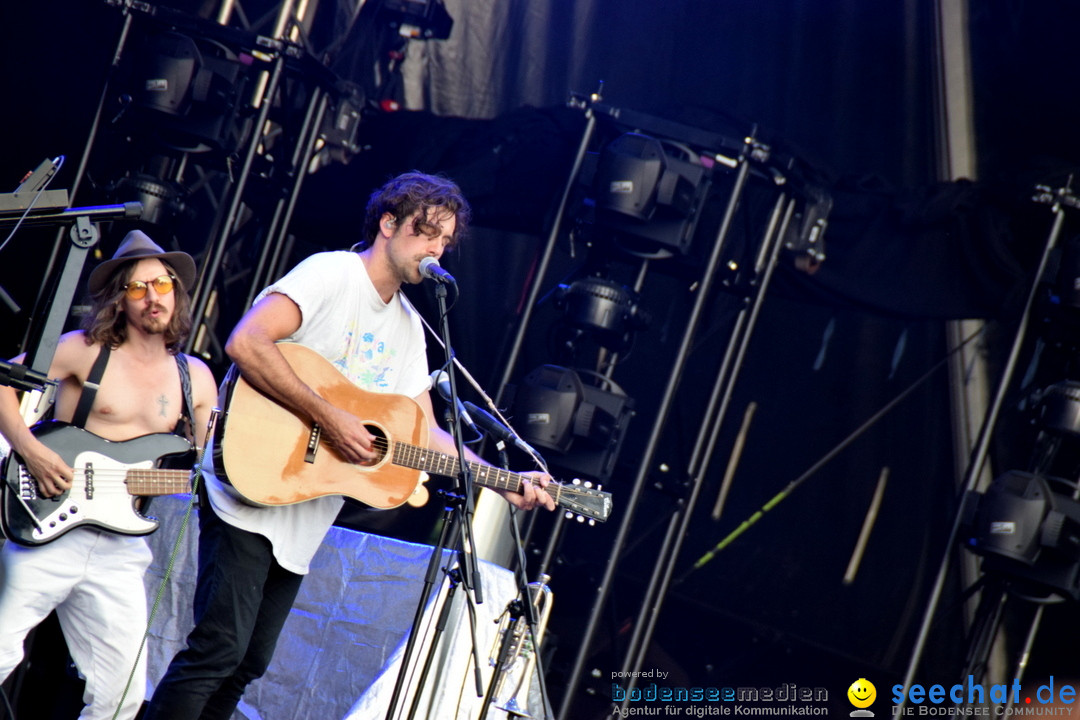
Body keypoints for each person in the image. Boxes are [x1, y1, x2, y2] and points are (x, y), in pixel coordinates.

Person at [143, 171, 556, 719]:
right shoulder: (332, 273)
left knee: (249, 663)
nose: (436, 249)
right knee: (218, 649)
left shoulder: (411, 327)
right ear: (389, 223)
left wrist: (503, 481)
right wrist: (330, 418)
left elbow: (425, 432)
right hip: (250, 480)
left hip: (301, 509)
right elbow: (247, 340)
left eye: (444, 241)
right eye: (426, 232)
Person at [0, 230, 218, 720]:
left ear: (176, 292)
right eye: (137, 288)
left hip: (120, 549)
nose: (152, 297)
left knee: (121, 699)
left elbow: (214, 466)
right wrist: (30, 450)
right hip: (51, 527)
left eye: (161, 285)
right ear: (120, 299)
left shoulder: (194, 377)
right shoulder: (84, 348)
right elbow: (2, 386)